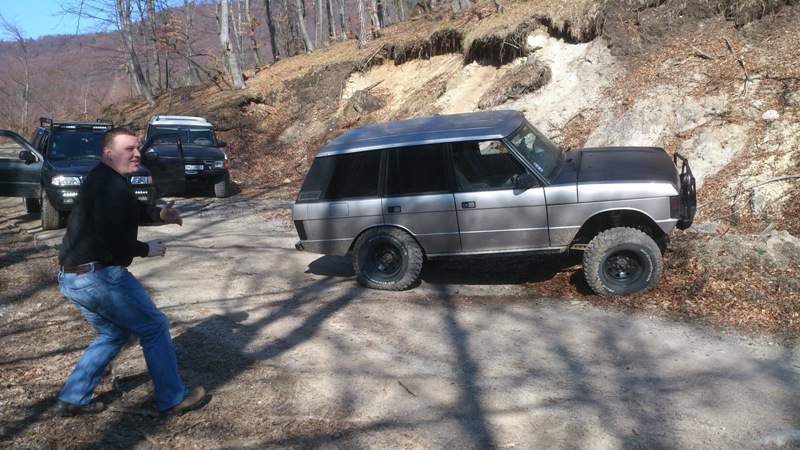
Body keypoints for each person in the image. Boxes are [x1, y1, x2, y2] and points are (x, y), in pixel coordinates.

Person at [54, 127, 206, 417]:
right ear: (108, 153)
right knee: (154, 326)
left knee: (113, 333)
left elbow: (128, 208)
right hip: (97, 278)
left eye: (137, 148)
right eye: (129, 149)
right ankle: (174, 398)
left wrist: (159, 213)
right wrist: (145, 249)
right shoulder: (108, 185)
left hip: (72, 277)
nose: (137, 154)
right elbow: (113, 238)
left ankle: (73, 398)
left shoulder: (104, 179)